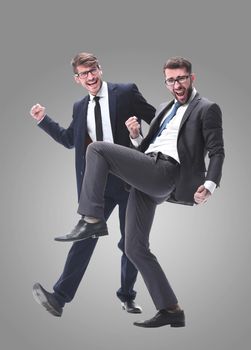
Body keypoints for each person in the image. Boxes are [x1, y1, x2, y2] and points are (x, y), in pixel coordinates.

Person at [55, 57, 225, 327]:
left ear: (192, 78)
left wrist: (210, 184)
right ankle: (171, 309)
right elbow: (147, 147)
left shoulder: (206, 108)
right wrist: (135, 136)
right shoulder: (163, 108)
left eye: (181, 78)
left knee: (97, 148)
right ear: (166, 82)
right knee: (134, 247)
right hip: (148, 173)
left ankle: (90, 220)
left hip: (168, 172)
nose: (176, 84)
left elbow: (217, 150)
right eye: (171, 80)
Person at [30, 52, 156, 317]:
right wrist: (43, 120)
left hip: (132, 180)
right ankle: (59, 298)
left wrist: (137, 136)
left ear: (100, 68)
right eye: (83, 74)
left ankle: (127, 296)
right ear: (77, 79)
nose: (90, 77)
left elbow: (157, 122)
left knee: (130, 241)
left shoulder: (126, 92)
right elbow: (68, 139)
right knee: (85, 237)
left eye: (93, 70)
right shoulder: (80, 107)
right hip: (100, 184)